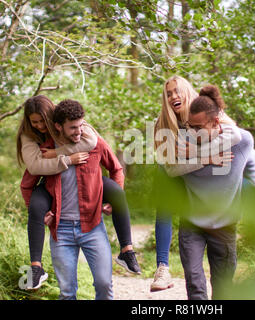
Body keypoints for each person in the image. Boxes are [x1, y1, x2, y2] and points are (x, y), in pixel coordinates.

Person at [16, 96, 140, 290]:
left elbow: (116, 168)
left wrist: (111, 202)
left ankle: (127, 249)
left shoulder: (91, 139)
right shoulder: (41, 147)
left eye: (42, 120)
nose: (39, 125)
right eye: (35, 122)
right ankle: (35, 267)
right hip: (61, 225)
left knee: (104, 284)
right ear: (58, 126)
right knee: (66, 291)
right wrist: (40, 215)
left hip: (91, 224)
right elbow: (28, 178)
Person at [151, 76, 241, 292]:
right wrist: (205, 158)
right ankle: (162, 267)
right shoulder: (163, 123)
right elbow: (171, 167)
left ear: (187, 91)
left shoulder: (205, 109)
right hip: (179, 176)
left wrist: (196, 153)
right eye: (169, 93)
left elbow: (234, 135)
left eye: (177, 91)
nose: (174, 96)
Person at [178, 85, 255, 300]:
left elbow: (252, 160)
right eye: (190, 126)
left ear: (215, 122)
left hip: (225, 224)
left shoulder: (240, 142)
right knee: (195, 283)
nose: (192, 132)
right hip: (191, 223)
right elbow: (170, 168)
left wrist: (251, 191)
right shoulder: (183, 143)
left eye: (198, 127)